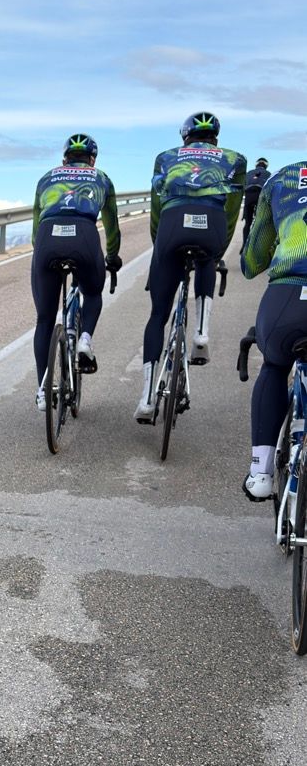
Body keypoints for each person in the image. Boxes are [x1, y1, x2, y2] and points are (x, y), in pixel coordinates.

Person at [136, 112, 246, 421]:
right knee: (206, 258)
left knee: (158, 315)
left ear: (185, 137)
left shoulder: (165, 157)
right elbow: (232, 210)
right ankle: (201, 334)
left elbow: (157, 206)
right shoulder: (234, 159)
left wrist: (159, 249)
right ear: (216, 138)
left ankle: (147, 399)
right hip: (212, 223)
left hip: (171, 224)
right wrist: (218, 250)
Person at [30, 134, 121, 409]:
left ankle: (43, 390)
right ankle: (84, 340)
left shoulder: (46, 178)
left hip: (47, 239)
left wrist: (43, 254)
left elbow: (35, 229)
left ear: (64, 159)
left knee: (45, 320)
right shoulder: (101, 178)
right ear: (92, 160)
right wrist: (112, 256)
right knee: (92, 293)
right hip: (84, 236)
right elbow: (112, 225)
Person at [240, 160, 307, 498]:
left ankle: (261, 473)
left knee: (275, 365)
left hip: (287, 299)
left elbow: (251, 263)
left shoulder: (283, 178)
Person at [242, 156, 271, 244]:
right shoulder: (268, 174)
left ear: (256, 165)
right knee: (260, 223)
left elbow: (243, 185)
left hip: (249, 195)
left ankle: (244, 245)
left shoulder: (249, 173)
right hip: (260, 195)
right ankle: (257, 245)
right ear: (266, 166)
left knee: (247, 223)